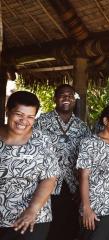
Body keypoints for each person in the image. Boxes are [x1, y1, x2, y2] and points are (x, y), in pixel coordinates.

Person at [34, 84, 91, 240]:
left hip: (73, 185)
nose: (66, 98)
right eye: (62, 95)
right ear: (55, 98)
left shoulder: (82, 127)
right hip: (46, 183)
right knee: (48, 227)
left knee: (70, 226)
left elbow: (87, 158)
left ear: (74, 100)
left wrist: (82, 187)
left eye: (70, 95)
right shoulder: (41, 122)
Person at [0, 91, 59, 240]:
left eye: (30, 117)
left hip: (33, 219)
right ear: (8, 111)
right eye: (19, 114)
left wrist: (32, 210)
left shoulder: (42, 140)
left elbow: (50, 178)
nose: (23, 121)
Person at [77, 105, 109, 240]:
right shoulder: (89, 143)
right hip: (96, 207)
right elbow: (84, 177)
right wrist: (86, 208)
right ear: (106, 121)